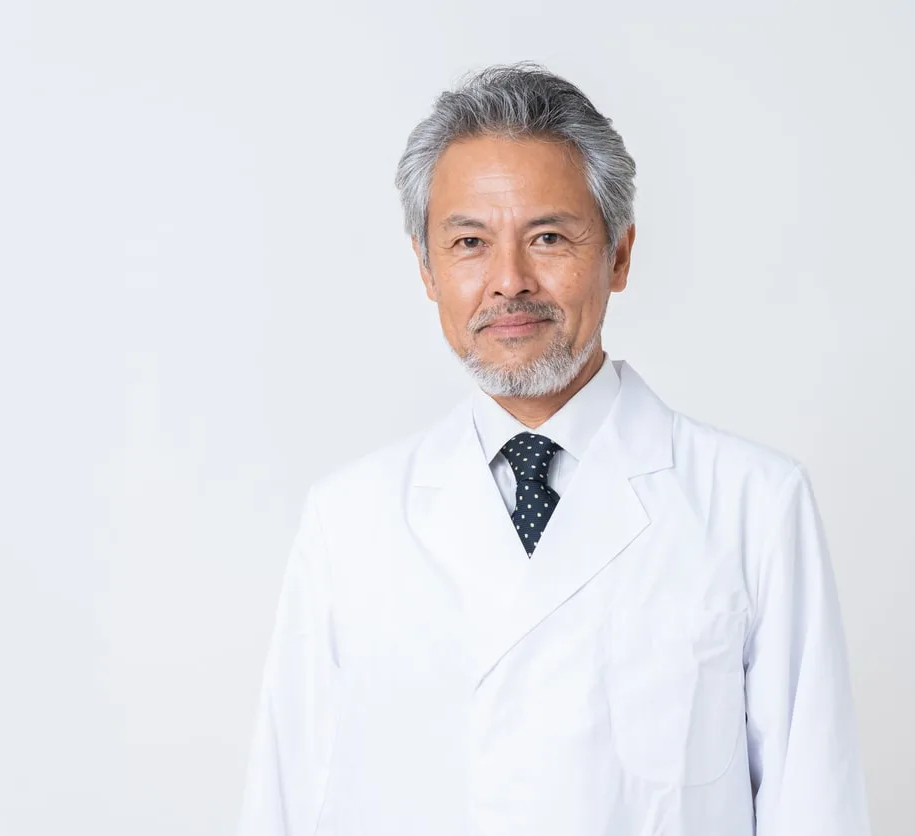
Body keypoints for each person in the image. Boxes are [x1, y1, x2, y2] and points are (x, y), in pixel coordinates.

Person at [237, 62, 871, 836]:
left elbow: (815, 808)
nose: (509, 281)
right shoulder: (349, 520)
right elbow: (285, 801)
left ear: (620, 254)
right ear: (426, 269)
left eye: (548, 237)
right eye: (469, 241)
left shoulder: (754, 505)